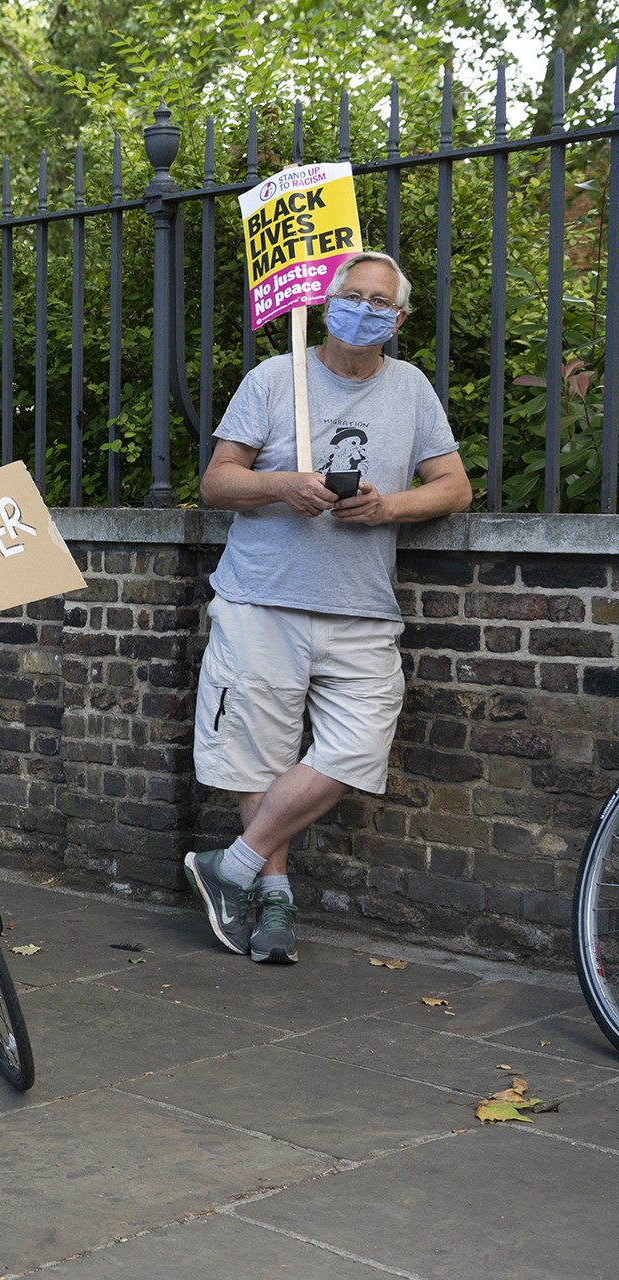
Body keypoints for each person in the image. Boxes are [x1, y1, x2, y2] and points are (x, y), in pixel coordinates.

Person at [185, 251, 472, 965]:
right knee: (260, 758)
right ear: (324, 300)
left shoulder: (410, 388)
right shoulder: (275, 377)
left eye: (380, 302)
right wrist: (284, 486)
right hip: (263, 599)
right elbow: (217, 482)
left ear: (398, 318)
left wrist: (390, 506)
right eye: (352, 295)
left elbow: (454, 486)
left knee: (357, 749)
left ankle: (232, 866)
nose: (364, 309)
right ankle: (273, 899)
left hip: (361, 608)